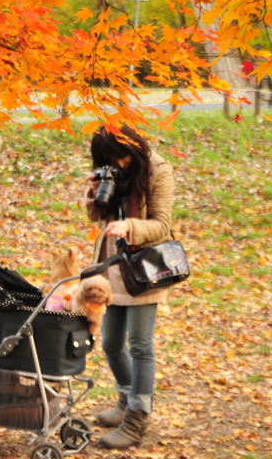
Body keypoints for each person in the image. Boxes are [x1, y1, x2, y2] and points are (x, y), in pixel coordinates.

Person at [83, 125, 174, 449]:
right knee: (109, 343)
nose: (118, 164)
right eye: (109, 159)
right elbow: (99, 217)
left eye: (119, 156)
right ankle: (125, 400)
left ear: (133, 148)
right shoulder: (113, 172)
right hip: (112, 266)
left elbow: (162, 223)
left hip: (144, 268)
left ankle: (137, 420)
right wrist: (95, 192)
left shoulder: (157, 170)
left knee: (140, 346)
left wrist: (129, 226)